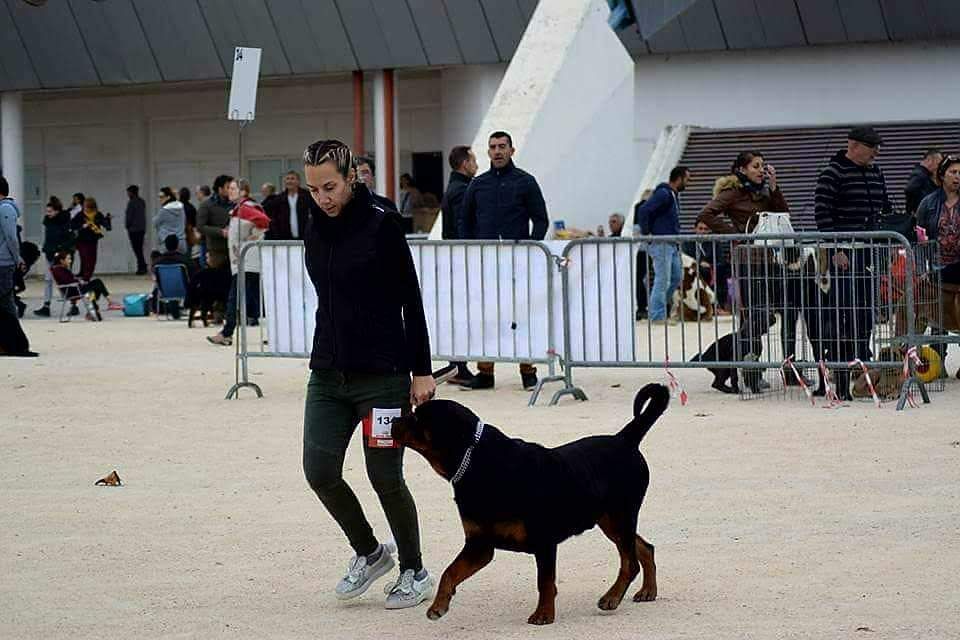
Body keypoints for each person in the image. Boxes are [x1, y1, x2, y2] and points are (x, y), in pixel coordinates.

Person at [300, 139, 436, 609]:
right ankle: (370, 552)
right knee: (318, 471)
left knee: (385, 476)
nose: (322, 198)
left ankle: (415, 570)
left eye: (330, 187)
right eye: (314, 190)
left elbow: (410, 301)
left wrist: (421, 370)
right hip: (328, 375)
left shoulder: (383, 224)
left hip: (382, 376)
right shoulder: (313, 226)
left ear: (352, 176)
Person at [459, 130, 549, 391]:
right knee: (486, 315)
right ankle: (485, 372)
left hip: (518, 262)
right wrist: (470, 249)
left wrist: (530, 247)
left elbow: (541, 218)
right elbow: (465, 220)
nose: (497, 151)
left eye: (502, 146)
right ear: (488, 152)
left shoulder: (526, 182)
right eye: (493, 147)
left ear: (512, 150)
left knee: (521, 314)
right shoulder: (478, 184)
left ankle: (528, 371)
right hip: (486, 262)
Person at [697, 151, 790, 384]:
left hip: (770, 260)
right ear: (742, 170)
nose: (761, 170)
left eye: (762, 165)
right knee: (757, 315)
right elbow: (707, 214)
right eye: (755, 166)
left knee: (764, 316)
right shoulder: (733, 193)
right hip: (747, 261)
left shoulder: (764, 193)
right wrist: (736, 235)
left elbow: (782, 214)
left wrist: (775, 187)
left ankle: (727, 359)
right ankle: (747, 367)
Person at [814, 126, 892, 400]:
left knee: (866, 312)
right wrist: (835, 249)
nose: (877, 151)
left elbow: (885, 207)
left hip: (869, 253)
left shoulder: (876, 172)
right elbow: (822, 214)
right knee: (842, 313)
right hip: (844, 255)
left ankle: (861, 361)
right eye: (873, 146)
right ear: (854, 145)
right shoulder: (832, 173)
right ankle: (839, 368)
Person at [207, 181, 270, 346]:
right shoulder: (239, 209)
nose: (229, 191)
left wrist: (252, 237)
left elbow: (263, 222)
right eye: (229, 188)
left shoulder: (246, 207)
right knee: (255, 298)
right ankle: (275, 333)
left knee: (235, 297)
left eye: (233, 188)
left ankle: (227, 333)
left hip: (247, 261)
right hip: (244, 260)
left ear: (243, 191)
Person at [438, 144, 479, 385]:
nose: (476, 165)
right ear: (465, 164)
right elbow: (465, 223)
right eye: (473, 161)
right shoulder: (462, 190)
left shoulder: (454, 187)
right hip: (461, 258)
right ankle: (458, 366)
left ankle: (458, 365)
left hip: (455, 256)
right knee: (463, 315)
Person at [635, 166, 690, 324]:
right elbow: (644, 210)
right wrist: (647, 233)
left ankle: (659, 309)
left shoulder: (671, 195)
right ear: (679, 178)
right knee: (663, 279)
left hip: (671, 243)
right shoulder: (664, 194)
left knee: (676, 276)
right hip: (661, 243)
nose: (688, 183)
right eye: (687, 179)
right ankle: (657, 315)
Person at [0, 176, 36, 356]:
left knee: (5, 306)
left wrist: (17, 259)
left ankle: (17, 345)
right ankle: (12, 344)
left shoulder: (5, 209)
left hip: (3, 263)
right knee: (5, 305)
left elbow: (11, 238)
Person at [918, 155, 960, 284]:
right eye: (953, 172)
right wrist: (921, 270)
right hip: (937, 268)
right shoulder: (928, 203)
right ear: (942, 175)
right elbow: (918, 240)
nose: (958, 176)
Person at [33, 196, 76, 317]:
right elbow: (49, 238)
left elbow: (69, 239)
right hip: (49, 253)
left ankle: (73, 304)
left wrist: (61, 251)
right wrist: (47, 249)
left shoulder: (65, 222)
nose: (48, 214)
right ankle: (46, 305)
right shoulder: (48, 221)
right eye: (47, 211)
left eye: (50, 211)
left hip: (61, 255)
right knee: (48, 280)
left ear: (57, 211)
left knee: (66, 280)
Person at [50, 251, 121, 320]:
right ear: (62, 261)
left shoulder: (61, 269)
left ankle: (94, 311)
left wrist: (80, 281)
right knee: (97, 283)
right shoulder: (58, 269)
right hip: (72, 290)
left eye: (70, 259)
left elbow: (70, 279)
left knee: (95, 287)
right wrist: (80, 282)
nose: (70, 261)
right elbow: (68, 281)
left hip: (75, 288)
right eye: (68, 259)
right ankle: (109, 303)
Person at [71, 196, 111, 282]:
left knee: (92, 259)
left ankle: (87, 276)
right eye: (85, 207)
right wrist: (82, 226)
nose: (86, 209)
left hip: (93, 240)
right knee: (85, 257)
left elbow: (106, 225)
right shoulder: (80, 215)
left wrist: (108, 220)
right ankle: (85, 276)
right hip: (82, 239)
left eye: (88, 208)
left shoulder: (97, 214)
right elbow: (72, 225)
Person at [264, 170, 310, 241]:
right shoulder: (279, 199)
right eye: (287, 179)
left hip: (305, 237)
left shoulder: (307, 196)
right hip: (285, 239)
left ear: (298, 181)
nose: (289, 181)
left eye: (292, 178)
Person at [905, 148, 943, 217]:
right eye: (938, 164)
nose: (938, 168)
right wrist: (914, 210)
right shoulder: (920, 174)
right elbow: (909, 190)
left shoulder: (925, 174)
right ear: (929, 160)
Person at [633, 189, 652, 321]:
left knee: (640, 278)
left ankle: (642, 306)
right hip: (645, 248)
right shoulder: (645, 207)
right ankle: (642, 306)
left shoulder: (638, 208)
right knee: (641, 279)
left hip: (640, 249)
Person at [154, 187, 186, 253]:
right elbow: (184, 221)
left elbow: (155, 222)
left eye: (161, 197)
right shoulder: (181, 208)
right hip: (181, 242)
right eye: (159, 197)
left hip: (168, 244)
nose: (159, 199)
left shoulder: (164, 210)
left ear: (168, 197)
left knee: (167, 262)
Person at [125, 185, 148, 274]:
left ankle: (142, 266)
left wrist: (127, 225)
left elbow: (129, 217)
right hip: (141, 229)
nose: (128, 194)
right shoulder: (142, 202)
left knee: (137, 249)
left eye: (128, 192)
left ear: (131, 192)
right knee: (139, 249)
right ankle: (142, 266)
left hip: (133, 230)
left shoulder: (131, 203)